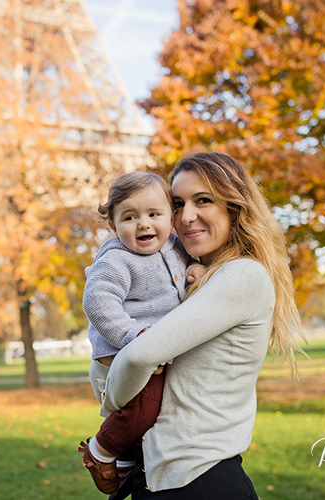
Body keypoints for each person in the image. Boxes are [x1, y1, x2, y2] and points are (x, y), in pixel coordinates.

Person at [100, 152, 307, 499]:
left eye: (204, 200)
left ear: (234, 207)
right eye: (177, 204)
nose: (186, 216)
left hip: (198, 481)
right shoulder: (199, 277)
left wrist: (111, 416)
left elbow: (139, 357)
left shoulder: (241, 274)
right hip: (166, 475)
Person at [78, 171, 206, 494]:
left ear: (170, 217)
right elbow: (98, 302)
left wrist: (194, 270)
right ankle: (101, 449)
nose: (144, 224)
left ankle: (124, 460)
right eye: (130, 217)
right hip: (120, 355)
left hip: (151, 352)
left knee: (158, 410)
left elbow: (184, 267)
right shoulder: (117, 260)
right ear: (113, 225)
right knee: (145, 407)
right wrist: (133, 337)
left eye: (153, 214)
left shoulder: (174, 246)